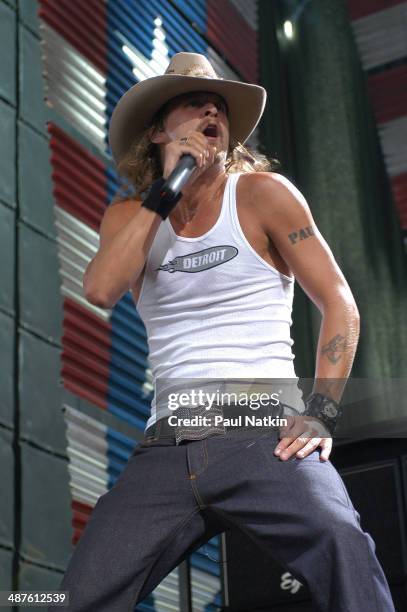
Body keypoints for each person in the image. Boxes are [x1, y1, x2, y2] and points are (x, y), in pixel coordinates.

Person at [57, 53, 396, 611]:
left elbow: (340, 303)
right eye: (194, 102)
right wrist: (166, 191)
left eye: (219, 103)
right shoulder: (129, 217)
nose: (212, 107)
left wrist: (322, 410)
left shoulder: (264, 194)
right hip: (168, 445)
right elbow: (99, 290)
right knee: (74, 598)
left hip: (264, 432)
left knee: (342, 545)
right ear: (161, 130)